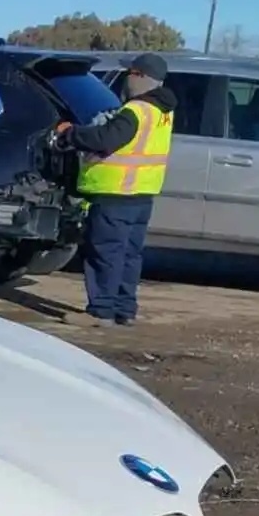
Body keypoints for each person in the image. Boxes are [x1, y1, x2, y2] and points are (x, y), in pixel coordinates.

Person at [53, 52, 177, 327]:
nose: (126, 79)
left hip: (117, 193)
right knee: (129, 254)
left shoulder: (135, 110)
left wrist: (70, 133)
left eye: (130, 73)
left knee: (105, 252)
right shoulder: (162, 110)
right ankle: (124, 309)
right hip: (142, 194)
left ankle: (101, 312)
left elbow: (105, 139)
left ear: (141, 77)